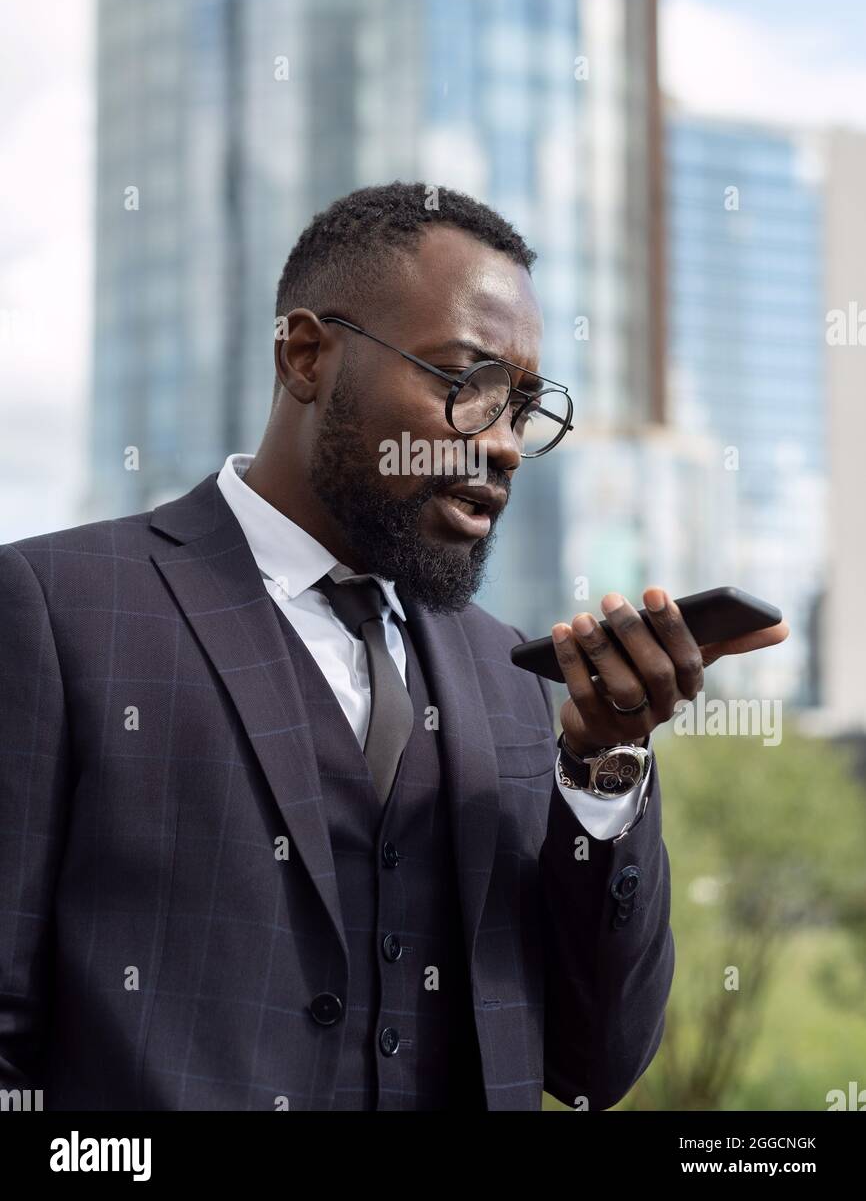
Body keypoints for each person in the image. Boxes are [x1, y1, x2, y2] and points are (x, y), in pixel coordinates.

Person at [0, 181, 787, 1111]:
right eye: (469, 386)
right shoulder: (57, 611)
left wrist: (605, 765)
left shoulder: (511, 679)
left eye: (524, 409)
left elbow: (592, 1063)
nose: (501, 446)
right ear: (306, 356)